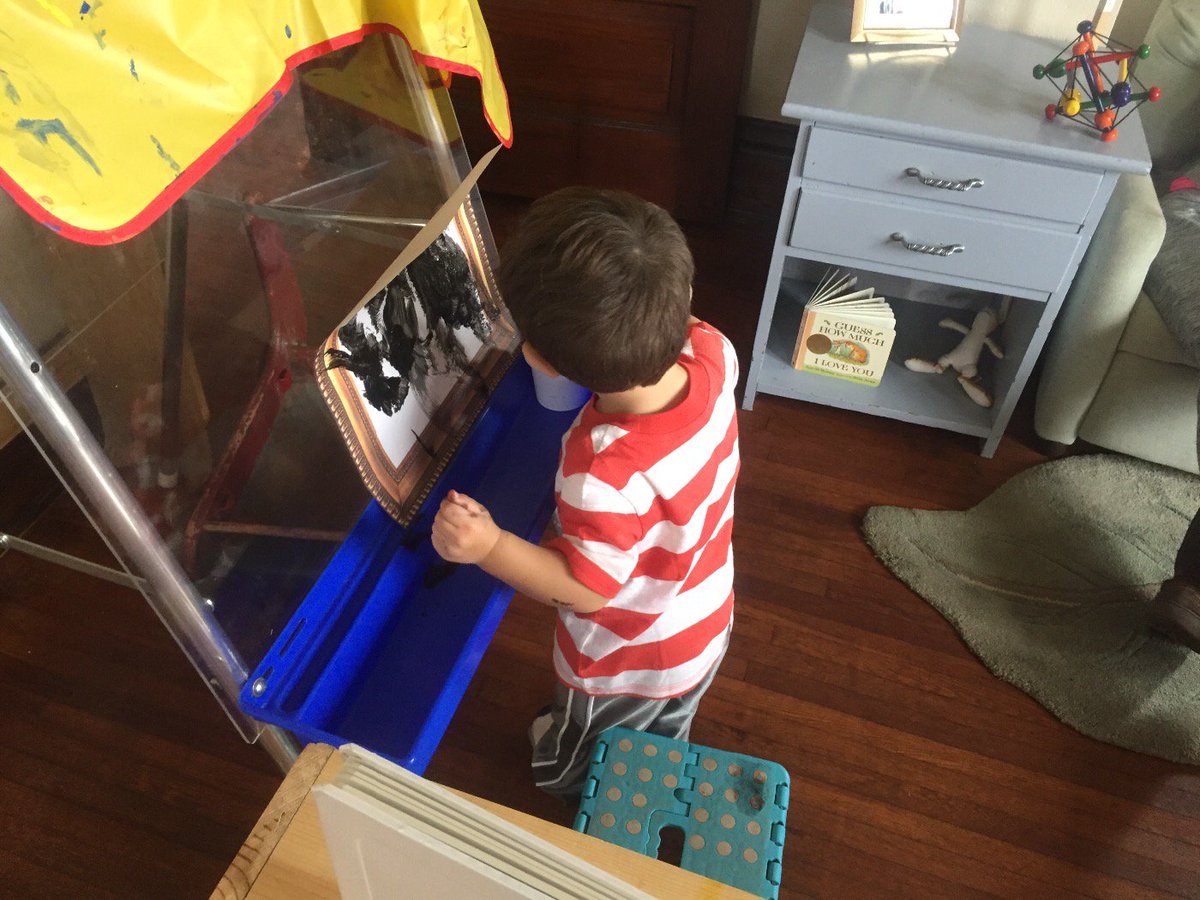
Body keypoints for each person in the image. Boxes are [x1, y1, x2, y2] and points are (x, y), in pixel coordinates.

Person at [431, 187, 739, 801]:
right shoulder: (712, 351)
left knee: (591, 751)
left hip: (628, 660)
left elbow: (585, 587)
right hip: (701, 616)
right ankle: (657, 756)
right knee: (666, 727)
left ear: (540, 360)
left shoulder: (603, 472)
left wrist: (488, 545)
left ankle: (579, 782)